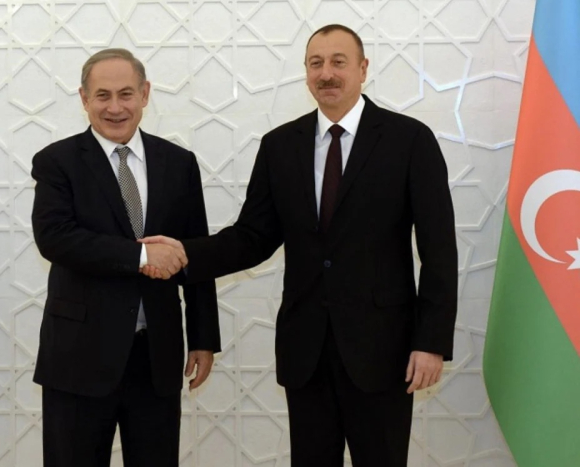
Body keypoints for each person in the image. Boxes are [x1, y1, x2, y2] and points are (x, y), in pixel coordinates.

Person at [141, 24, 458, 466]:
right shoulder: (279, 146)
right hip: (305, 349)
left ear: (363, 69)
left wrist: (431, 342)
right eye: (316, 63)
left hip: (383, 350)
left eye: (338, 62)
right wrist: (182, 255)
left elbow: (439, 250)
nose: (326, 73)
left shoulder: (409, 140)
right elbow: (252, 238)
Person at [31, 48, 221, 467]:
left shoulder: (179, 163)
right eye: (102, 95)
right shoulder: (56, 162)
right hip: (78, 359)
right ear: (84, 98)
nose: (115, 107)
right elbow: (55, 238)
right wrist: (142, 255)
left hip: (156, 358)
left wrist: (203, 337)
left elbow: (194, 251)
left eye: (126, 94)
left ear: (145, 94)